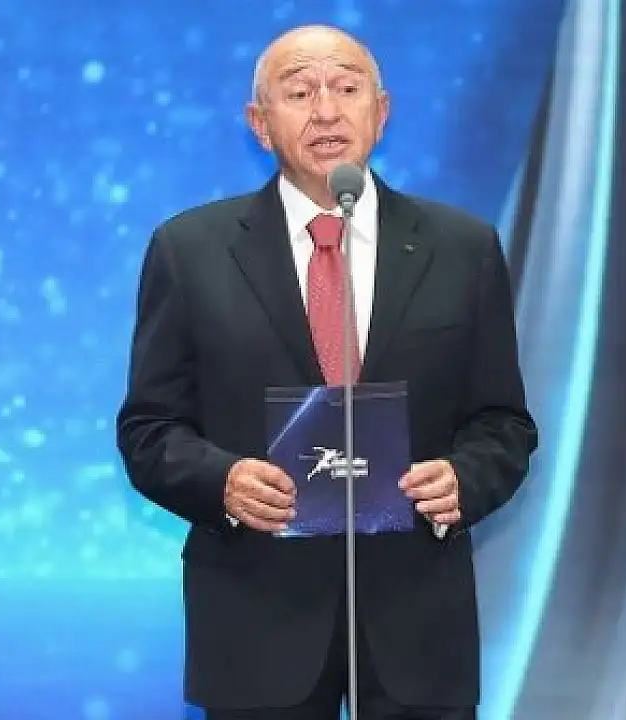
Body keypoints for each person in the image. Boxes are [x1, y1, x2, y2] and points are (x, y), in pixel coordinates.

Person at [115, 24, 538, 720]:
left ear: (381, 112)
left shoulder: (463, 248)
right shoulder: (189, 251)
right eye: (299, 92)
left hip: (415, 623)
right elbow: (149, 430)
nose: (326, 111)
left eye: (346, 88)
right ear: (260, 124)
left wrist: (464, 479)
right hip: (257, 615)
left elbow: (503, 423)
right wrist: (223, 482)